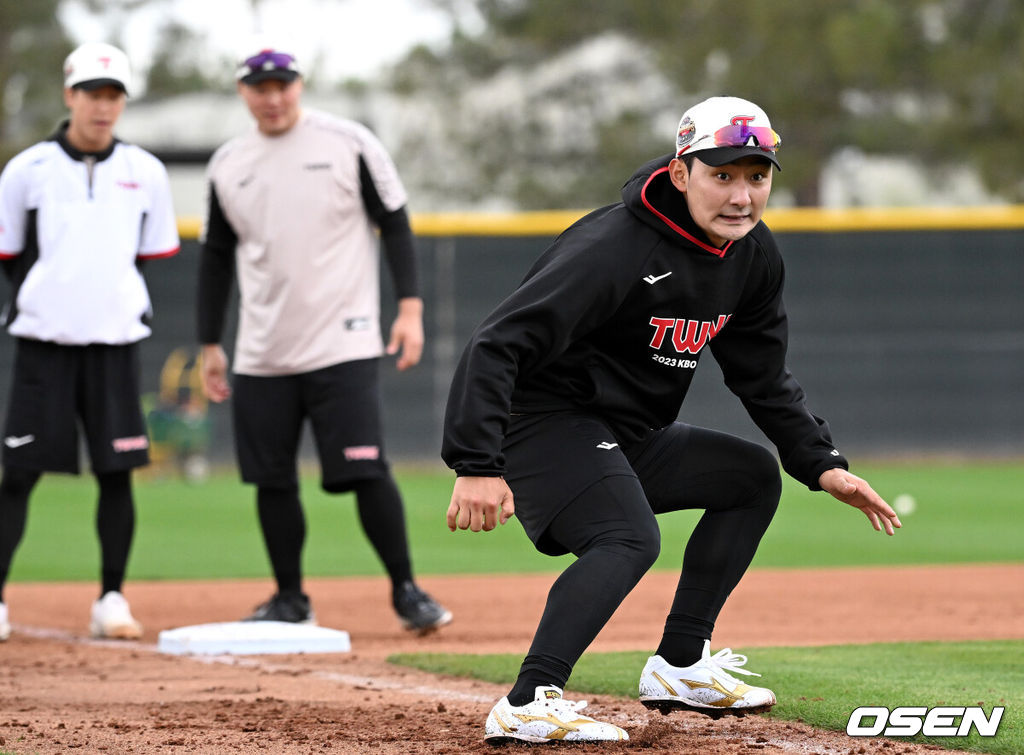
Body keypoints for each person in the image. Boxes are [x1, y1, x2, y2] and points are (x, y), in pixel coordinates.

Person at [442, 95, 902, 743]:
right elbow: (498, 342)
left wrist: (821, 463)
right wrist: (477, 462)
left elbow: (762, 376)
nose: (741, 194)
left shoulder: (751, 256)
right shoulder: (615, 246)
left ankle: (681, 662)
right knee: (628, 537)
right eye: (723, 175)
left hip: (628, 433)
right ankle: (528, 699)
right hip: (545, 422)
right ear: (683, 173)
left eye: (757, 175)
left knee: (749, 478)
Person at [197, 42, 451, 634]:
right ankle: (289, 597)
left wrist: (409, 309)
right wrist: (211, 342)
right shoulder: (228, 163)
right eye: (260, 87)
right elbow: (214, 255)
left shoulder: (349, 142)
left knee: (367, 470)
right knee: (272, 479)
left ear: (299, 85)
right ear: (244, 93)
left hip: (344, 342)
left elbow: (395, 222)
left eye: (283, 84)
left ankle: (407, 591)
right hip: (262, 351)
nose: (273, 96)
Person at [0, 42, 180, 643]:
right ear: (69, 95)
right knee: (19, 473)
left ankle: (111, 598)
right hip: (43, 345)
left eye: (113, 95)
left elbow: (146, 257)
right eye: (92, 94)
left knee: (116, 472)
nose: (103, 107)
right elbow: (9, 254)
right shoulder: (27, 171)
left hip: (114, 345)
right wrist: (50, 297)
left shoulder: (146, 173)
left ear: (122, 102)